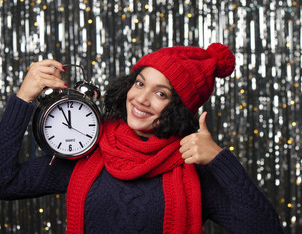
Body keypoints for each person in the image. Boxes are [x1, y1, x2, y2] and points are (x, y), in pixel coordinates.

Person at [0, 43, 284, 234]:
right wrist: (23, 99)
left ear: (178, 108)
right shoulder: (88, 151)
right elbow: (4, 182)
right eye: (140, 83)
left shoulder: (193, 170)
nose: (141, 99)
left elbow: (266, 228)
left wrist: (221, 161)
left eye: (161, 94)